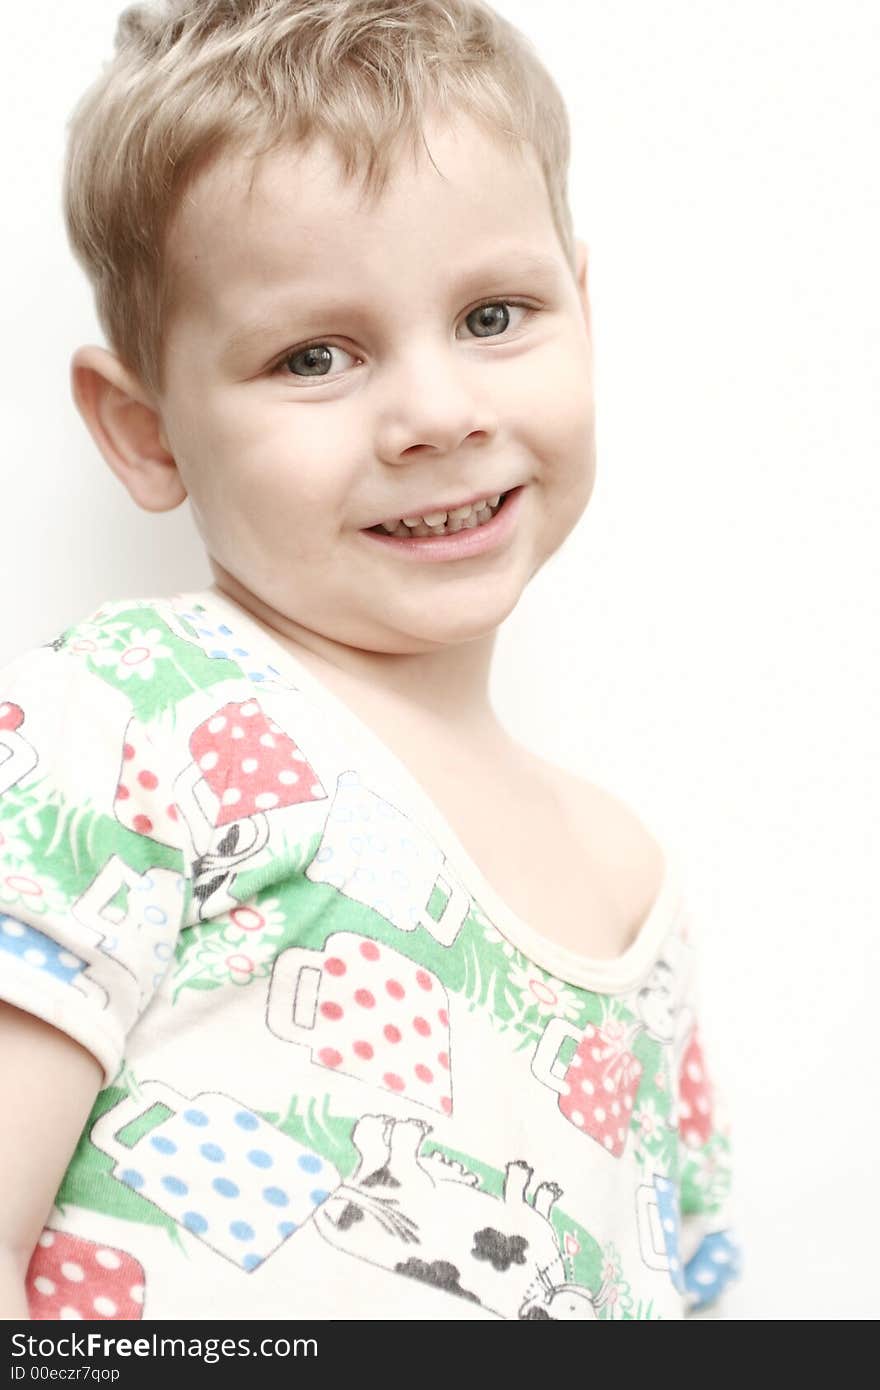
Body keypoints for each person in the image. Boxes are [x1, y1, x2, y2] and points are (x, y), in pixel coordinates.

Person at [0, 0, 742, 1321]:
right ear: (145, 428)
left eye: (496, 314)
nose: (438, 414)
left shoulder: (642, 890)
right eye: (316, 354)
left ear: (586, 306)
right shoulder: (131, 714)